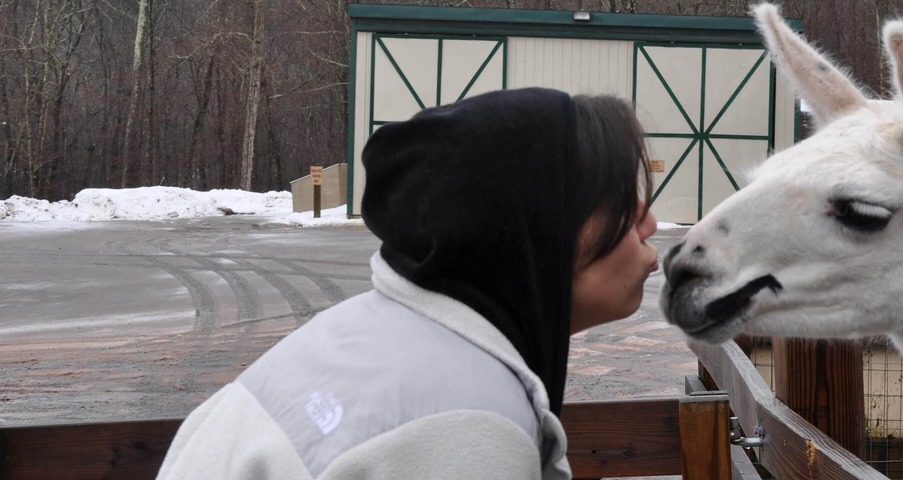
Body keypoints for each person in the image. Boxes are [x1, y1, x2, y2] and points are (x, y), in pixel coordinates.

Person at [156, 87, 658, 480]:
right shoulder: (467, 424)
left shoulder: (358, 336)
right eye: (620, 201)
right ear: (539, 223)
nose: (650, 223)